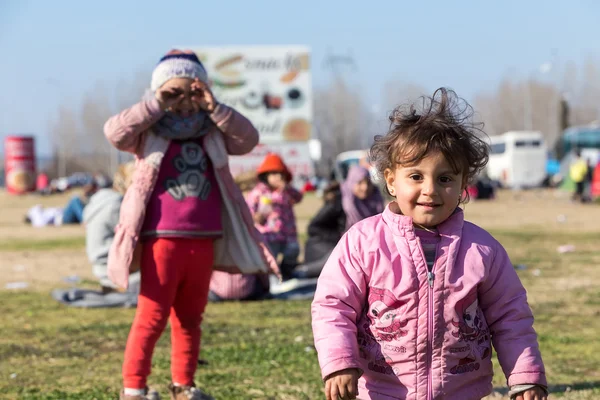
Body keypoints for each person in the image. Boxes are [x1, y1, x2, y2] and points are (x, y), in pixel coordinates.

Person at [311, 88, 547, 400]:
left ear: (464, 183)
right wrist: (340, 362)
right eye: (416, 177)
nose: (431, 190)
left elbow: (510, 315)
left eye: (445, 179)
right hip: (383, 391)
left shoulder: (483, 249)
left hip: (461, 391)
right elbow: (333, 306)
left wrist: (526, 376)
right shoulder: (362, 242)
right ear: (392, 180)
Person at [103, 49, 278, 400]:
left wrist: (213, 106)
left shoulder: (212, 128)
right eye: (174, 93)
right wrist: (156, 104)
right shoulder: (149, 131)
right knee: (151, 317)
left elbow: (248, 139)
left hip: (204, 239)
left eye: (191, 92)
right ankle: (133, 388)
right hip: (160, 241)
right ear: (159, 93)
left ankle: (183, 386)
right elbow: (114, 133)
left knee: (190, 318)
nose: (184, 102)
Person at [246, 153, 303, 280]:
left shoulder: (287, 191)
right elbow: (249, 211)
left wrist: (287, 188)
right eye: (274, 174)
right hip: (269, 234)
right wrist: (257, 217)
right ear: (266, 176)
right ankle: (273, 280)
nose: (278, 177)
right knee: (272, 258)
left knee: (293, 251)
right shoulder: (258, 192)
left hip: (288, 233)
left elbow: (299, 197)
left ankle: (287, 274)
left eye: (281, 174)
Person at [83, 162, 137, 293]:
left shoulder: (98, 201)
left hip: (99, 266)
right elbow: (132, 236)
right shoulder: (116, 204)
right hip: (114, 269)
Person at [293, 181, 345, 279]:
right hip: (319, 246)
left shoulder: (368, 204)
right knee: (339, 257)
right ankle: (304, 271)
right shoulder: (337, 204)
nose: (365, 188)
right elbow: (312, 228)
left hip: (334, 245)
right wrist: (336, 238)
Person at [341, 165, 384, 230]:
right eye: (359, 183)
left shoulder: (375, 198)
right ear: (351, 183)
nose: (365, 187)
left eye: (368, 183)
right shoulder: (337, 203)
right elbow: (321, 226)